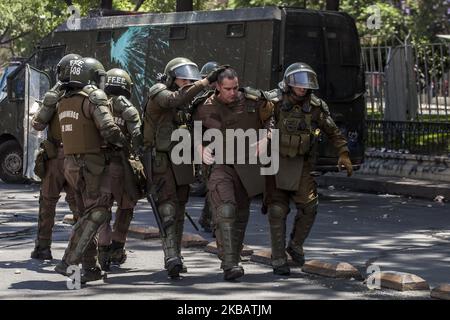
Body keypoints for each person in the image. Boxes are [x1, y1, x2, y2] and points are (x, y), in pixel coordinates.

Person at [264, 62, 353, 276]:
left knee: (310, 206)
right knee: (277, 210)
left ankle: (295, 245)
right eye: (298, 84)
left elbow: (332, 130)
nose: (302, 88)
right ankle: (278, 260)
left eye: (306, 84)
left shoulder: (315, 107)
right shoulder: (273, 102)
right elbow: (259, 122)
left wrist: (343, 152)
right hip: (274, 163)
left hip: (302, 165)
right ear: (288, 84)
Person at [142, 57, 225, 278]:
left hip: (181, 160)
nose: (188, 83)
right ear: (171, 78)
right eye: (184, 79)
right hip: (161, 160)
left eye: (191, 80)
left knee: (179, 208)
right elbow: (174, 100)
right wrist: (206, 81)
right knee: (168, 209)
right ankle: (171, 257)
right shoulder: (159, 91)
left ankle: (176, 255)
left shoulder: (188, 101)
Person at [193, 68, 274, 281]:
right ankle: (229, 264)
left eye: (235, 88)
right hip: (221, 165)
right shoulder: (204, 106)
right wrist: (199, 146)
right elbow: (193, 130)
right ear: (217, 86)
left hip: (247, 166)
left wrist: (266, 137)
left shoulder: (253, 101)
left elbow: (271, 119)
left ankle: (234, 257)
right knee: (225, 211)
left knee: (241, 215)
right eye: (227, 89)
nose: (232, 92)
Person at [54, 57, 126, 283]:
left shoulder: (64, 100)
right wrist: (124, 141)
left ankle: (90, 267)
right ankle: (68, 261)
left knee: (84, 216)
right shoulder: (93, 97)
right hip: (93, 165)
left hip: (71, 165)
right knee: (98, 212)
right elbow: (108, 129)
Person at [30, 53, 82, 260]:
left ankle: (43, 248)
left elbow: (38, 124)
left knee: (48, 203)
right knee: (79, 204)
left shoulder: (55, 95)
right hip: (78, 156)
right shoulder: (89, 94)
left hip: (56, 158)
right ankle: (82, 250)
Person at [97, 68, 143, 270]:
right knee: (126, 208)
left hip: (98, 166)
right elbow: (138, 136)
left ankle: (103, 253)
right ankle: (117, 249)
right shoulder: (127, 108)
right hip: (122, 166)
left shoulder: (97, 104)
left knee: (102, 211)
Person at [194, 61, 220, 233]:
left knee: (214, 186)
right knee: (213, 185)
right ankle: (210, 220)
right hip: (207, 148)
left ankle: (206, 218)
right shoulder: (201, 101)